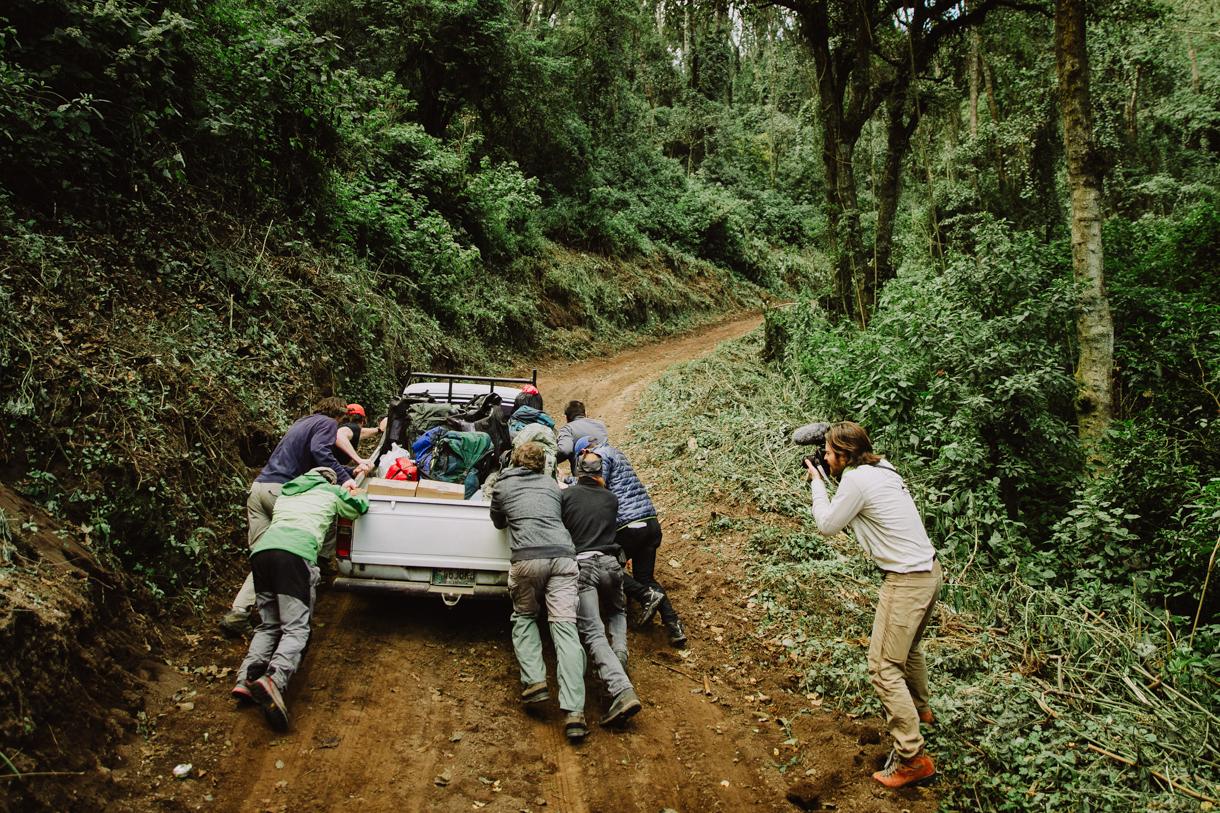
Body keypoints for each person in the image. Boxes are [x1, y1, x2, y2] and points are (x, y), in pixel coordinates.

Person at [806, 421, 941, 789]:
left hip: (906, 580)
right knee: (910, 649)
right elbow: (859, 498)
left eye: (830, 453)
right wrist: (829, 469)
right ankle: (921, 710)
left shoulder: (853, 480)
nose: (826, 458)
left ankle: (913, 758)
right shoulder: (883, 468)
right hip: (931, 572)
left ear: (846, 455)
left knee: (883, 667)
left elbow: (828, 524)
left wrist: (818, 484)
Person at [231, 467, 369, 731]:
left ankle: (246, 679)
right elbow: (356, 508)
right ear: (330, 480)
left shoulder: (287, 492)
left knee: (269, 624)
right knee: (296, 628)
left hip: (262, 555)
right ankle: (274, 679)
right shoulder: (332, 491)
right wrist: (356, 492)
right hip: (294, 555)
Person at [220, 397, 359, 637]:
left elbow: (312, 462)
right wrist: (346, 479)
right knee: (312, 528)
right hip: (282, 492)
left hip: (260, 488)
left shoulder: (302, 422)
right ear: (339, 416)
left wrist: (347, 470)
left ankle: (239, 611)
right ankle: (312, 576)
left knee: (263, 553)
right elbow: (320, 451)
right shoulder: (327, 423)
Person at [489, 441, 589, 743]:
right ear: (541, 463)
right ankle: (574, 713)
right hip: (563, 556)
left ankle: (535, 682)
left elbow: (498, 522)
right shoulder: (550, 485)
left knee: (524, 617)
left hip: (528, 559)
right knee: (565, 628)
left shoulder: (503, 486)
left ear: (515, 461)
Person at [576, 437, 684, 648]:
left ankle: (640, 598)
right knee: (645, 577)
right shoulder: (615, 452)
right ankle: (673, 625)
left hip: (628, 524)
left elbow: (596, 484)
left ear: (585, 452)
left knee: (606, 565)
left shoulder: (600, 456)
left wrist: (568, 483)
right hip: (650, 522)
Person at [560, 449, 642, 727]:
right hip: (610, 564)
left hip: (583, 567)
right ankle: (619, 654)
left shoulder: (566, 497)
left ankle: (620, 689)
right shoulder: (611, 499)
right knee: (618, 612)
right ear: (600, 474)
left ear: (578, 472)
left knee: (593, 633)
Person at [556, 400, 609, 472]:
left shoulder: (568, 429)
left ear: (566, 417)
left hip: (585, 475)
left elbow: (565, 450)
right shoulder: (600, 425)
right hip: (607, 469)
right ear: (585, 413)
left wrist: (552, 461)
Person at [333, 403, 384, 475]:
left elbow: (362, 433)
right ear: (363, 420)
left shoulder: (341, 428)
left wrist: (379, 430)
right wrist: (359, 460)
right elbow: (339, 435)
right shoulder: (353, 427)